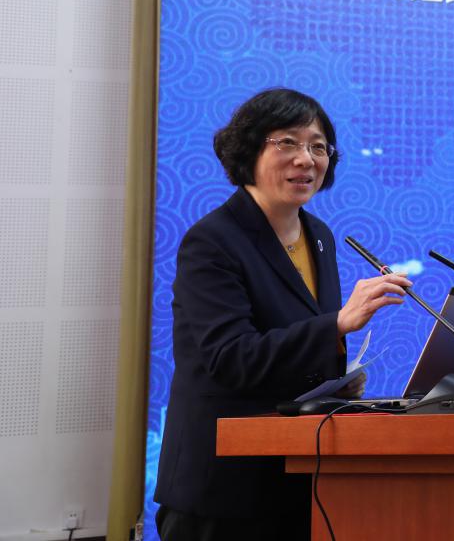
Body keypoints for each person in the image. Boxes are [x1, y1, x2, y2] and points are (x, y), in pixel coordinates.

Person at [154, 88, 410, 541]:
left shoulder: (319, 236)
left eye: (318, 146)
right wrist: (335, 325)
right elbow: (231, 357)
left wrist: (336, 381)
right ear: (249, 149)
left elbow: (295, 338)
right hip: (224, 488)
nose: (306, 159)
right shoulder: (212, 241)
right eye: (287, 142)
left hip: (300, 478)